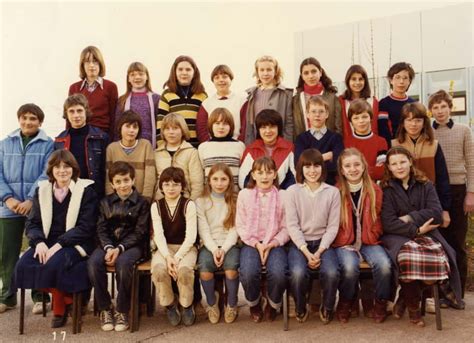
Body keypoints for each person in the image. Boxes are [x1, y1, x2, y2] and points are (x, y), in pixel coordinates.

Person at [13, 149, 98, 328]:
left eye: (66, 166)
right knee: (23, 265)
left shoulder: (86, 190)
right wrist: (39, 242)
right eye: (57, 167)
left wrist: (59, 244)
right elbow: (32, 223)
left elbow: (86, 227)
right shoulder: (42, 190)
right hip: (47, 242)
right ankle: (69, 300)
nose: (62, 171)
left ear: (73, 169)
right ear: (51, 170)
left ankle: (59, 309)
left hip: (75, 242)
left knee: (54, 264)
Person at [380, 146, 463, 327]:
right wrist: (416, 230)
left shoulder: (426, 184)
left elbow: (436, 213)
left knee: (436, 256)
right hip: (397, 236)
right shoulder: (386, 189)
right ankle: (414, 309)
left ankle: (404, 297)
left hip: (430, 232)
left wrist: (410, 217)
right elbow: (388, 223)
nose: (399, 166)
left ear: (410, 161)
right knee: (408, 256)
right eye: (394, 164)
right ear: (389, 167)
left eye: (402, 161)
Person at [0, 103, 53, 314]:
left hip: (35, 205)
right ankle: (7, 296)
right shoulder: (5, 144)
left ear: (40, 122)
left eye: (33, 118)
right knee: (7, 252)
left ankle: (40, 296)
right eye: (24, 118)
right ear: (19, 119)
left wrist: (31, 199)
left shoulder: (48, 144)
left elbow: (46, 173)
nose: (28, 122)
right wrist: (7, 198)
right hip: (8, 207)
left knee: (38, 249)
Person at [88, 161, 150, 332]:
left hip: (133, 246)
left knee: (123, 264)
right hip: (108, 245)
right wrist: (108, 247)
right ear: (112, 184)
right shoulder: (105, 203)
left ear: (133, 180)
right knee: (93, 263)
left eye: (126, 180)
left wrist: (120, 248)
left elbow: (140, 232)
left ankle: (122, 310)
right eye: (118, 181)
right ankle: (105, 308)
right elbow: (100, 229)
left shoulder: (142, 203)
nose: (123, 185)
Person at [332, 148, 392, 323]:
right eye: (348, 166)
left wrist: (373, 233)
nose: (353, 169)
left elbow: (381, 218)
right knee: (350, 268)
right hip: (345, 241)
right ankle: (346, 302)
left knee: (384, 265)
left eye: (357, 164)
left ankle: (380, 303)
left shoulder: (375, 190)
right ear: (342, 170)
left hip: (369, 240)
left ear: (364, 166)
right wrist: (341, 239)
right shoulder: (336, 192)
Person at [285, 149, 340, 324]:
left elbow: (332, 227)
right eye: (307, 166)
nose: (312, 170)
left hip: (324, 244)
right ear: (300, 169)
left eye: (316, 165)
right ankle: (301, 307)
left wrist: (319, 251)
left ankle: (328, 306)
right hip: (299, 244)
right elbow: (292, 225)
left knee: (331, 272)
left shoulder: (332, 192)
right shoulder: (292, 191)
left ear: (322, 168)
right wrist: (307, 252)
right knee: (298, 273)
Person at [429, 89, 474, 298]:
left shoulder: (464, 130)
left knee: (457, 243)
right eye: (435, 107)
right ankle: (441, 290)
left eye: (443, 106)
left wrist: (470, 193)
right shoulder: (428, 133)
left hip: (458, 190)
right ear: (431, 111)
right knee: (438, 243)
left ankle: (458, 293)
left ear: (450, 107)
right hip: (435, 191)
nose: (440, 111)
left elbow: (472, 163)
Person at [236, 157, 289, 323]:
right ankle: (255, 302)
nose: (264, 176)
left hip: (275, 243)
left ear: (275, 174)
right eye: (260, 172)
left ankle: (273, 304)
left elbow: (287, 227)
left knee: (279, 273)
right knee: (248, 272)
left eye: (269, 172)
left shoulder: (283, 195)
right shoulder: (245, 194)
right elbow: (241, 225)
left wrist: (272, 244)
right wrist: (258, 245)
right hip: (252, 242)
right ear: (253, 174)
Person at [151, 167, 198, 326]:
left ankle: (186, 305)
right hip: (165, 248)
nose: (171, 188)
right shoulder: (156, 206)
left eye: (175, 184)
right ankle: (170, 304)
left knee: (184, 271)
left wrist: (176, 258)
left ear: (182, 186)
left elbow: (191, 237)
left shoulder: (188, 204)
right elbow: (159, 235)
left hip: (186, 248)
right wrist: (168, 257)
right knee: (158, 270)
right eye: (167, 184)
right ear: (161, 186)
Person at [391, 102, 451, 228]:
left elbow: (442, 178)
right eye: (409, 120)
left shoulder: (433, 145)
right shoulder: (394, 145)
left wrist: (445, 208)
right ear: (402, 122)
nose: (413, 124)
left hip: (429, 202)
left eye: (418, 120)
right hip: (402, 203)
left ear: (424, 122)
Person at [196, 163, 240, 324]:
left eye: (223, 179)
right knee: (205, 270)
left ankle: (232, 304)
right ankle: (212, 303)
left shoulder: (235, 200)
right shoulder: (201, 201)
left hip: (230, 243)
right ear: (209, 181)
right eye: (215, 179)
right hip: (209, 244)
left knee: (231, 270)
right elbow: (204, 230)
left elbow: (235, 229)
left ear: (230, 181)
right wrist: (215, 249)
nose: (219, 183)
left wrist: (224, 248)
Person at [54, 94, 108, 199]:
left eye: (79, 111)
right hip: (68, 193)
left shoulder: (100, 137)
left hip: (94, 192)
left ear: (86, 112)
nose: (76, 115)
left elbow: (105, 169)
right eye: (71, 111)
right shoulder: (59, 140)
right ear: (66, 114)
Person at [156, 55, 207, 147]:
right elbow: (161, 123)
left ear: (194, 72)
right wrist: (162, 146)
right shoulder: (167, 94)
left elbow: (206, 124)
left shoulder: (202, 95)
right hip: (174, 146)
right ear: (174, 72)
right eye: (180, 69)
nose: (184, 73)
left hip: (197, 146)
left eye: (188, 70)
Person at [105, 110, 156, 202]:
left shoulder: (145, 145)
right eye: (127, 126)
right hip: (118, 201)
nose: (131, 130)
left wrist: (146, 200)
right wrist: (111, 200)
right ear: (120, 127)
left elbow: (150, 176)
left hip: (140, 200)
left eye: (135, 127)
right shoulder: (111, 148)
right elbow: (108, 178)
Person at [241, 55, 293, 144]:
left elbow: (289, 123)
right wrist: (250, 146)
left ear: (275, 71)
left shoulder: (285, 94)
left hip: (279, 144)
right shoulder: (252, 94)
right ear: (257, 72)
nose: (265, 73)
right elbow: (250, 125)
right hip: (258, 145)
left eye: (269, 70)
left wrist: (286, 146)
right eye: (262, 70)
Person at [239, 109, 295, 190]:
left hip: (282, 197)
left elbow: (293, 178)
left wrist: (281, 194)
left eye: (272, 127)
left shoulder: (289, 148)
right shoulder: (251, 150)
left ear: (278, 128)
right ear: (258, 130)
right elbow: (243, 179)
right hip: (255, 198)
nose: (268, 131)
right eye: (263, 127)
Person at [68, 46, 118, 135]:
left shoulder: (111, 87)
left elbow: (114, 117)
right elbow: (69, 116)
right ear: (82, 65)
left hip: (102, 137)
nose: (91, 65)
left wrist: (111, 141)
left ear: (100, 64)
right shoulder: (74, 88)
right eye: (87, 62)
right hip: (79, 135)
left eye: (95, 61)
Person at [294, 95, 344, 185]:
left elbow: (337, 166)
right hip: (308, 187)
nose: (317, 115)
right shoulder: (301, 139)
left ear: (327, 114)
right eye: (313, 111)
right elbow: (299, 165)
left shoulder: (336, 138)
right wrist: (327, 156)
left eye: (321, 111)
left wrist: (309, 162)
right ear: (307, 114)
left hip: (331, 185)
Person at [155, 113, 203, 200]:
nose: (171, 132)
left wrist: (191, 204)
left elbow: (197, 183)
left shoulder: (191, 152)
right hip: (161, 202)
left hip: (185, 202)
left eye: (175, 128)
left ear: (183, 130)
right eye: (167, 129)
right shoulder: (156, 154)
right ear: (163, 132)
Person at [293, 57, 341, 138]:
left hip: (328, 147)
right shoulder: (295, 100)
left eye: (314, 71)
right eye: (306, 73)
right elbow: (294, 129)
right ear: (302, 76)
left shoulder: (332, 98)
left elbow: (338, 128)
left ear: (320, 72)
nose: (311, 76)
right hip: (304, 147)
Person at [196, 65, 246, 142]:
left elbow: (245, 128)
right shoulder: (206, 103)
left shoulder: (242, 101)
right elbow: (201, 129)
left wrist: (239, 144)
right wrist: (210, 144)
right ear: (213, 81)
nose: (221, 80)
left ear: (231, 79)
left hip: (236, 147)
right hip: (212, 148)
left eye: (224, 77)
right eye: (217, 78)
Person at [114, 62, 160, 147]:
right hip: (128, 145)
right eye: (132, 75)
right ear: (128, 79)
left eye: (141, 74)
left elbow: (160, 124)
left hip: (150, 145)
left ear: (147, 77)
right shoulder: (122, 100)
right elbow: (117, 125)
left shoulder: (156, 99)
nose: (137, 77)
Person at [197, 108, 245, 189]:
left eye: (225, 124)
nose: (221, 127)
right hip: (211, 197)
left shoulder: (239, 146)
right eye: (217, 123)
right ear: (211, 125)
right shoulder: (203, 147)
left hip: (233, 196)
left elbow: (242, 173)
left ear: (231, 126)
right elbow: (201, 173)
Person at [344, 99, 388, 181]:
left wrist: (355, 172)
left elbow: (380, 172)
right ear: (351, 122)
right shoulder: (346, 142)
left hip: (373, 187)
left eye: (364, 117)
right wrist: (371, 169)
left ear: (371, 118)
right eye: (356, 118)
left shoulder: (381, 142)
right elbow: (344, 171)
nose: (361, 121)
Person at [377, 62, 416, 146]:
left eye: (405, 78)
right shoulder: (384, 104)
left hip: (414, 146)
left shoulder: (414, 104)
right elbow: (383, 130)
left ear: (409, 81)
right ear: (391, 80)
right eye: (397, 77)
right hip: (393, 147)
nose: (401, 81)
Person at [339, 64, 379, 144]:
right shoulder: (341, 101)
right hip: (349, 145)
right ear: (348, 81)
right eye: (353, 79)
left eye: (360, 79)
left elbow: (376, 126)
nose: (357, 82)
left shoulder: (372, 101)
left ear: (365, 81)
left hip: (370, 143)